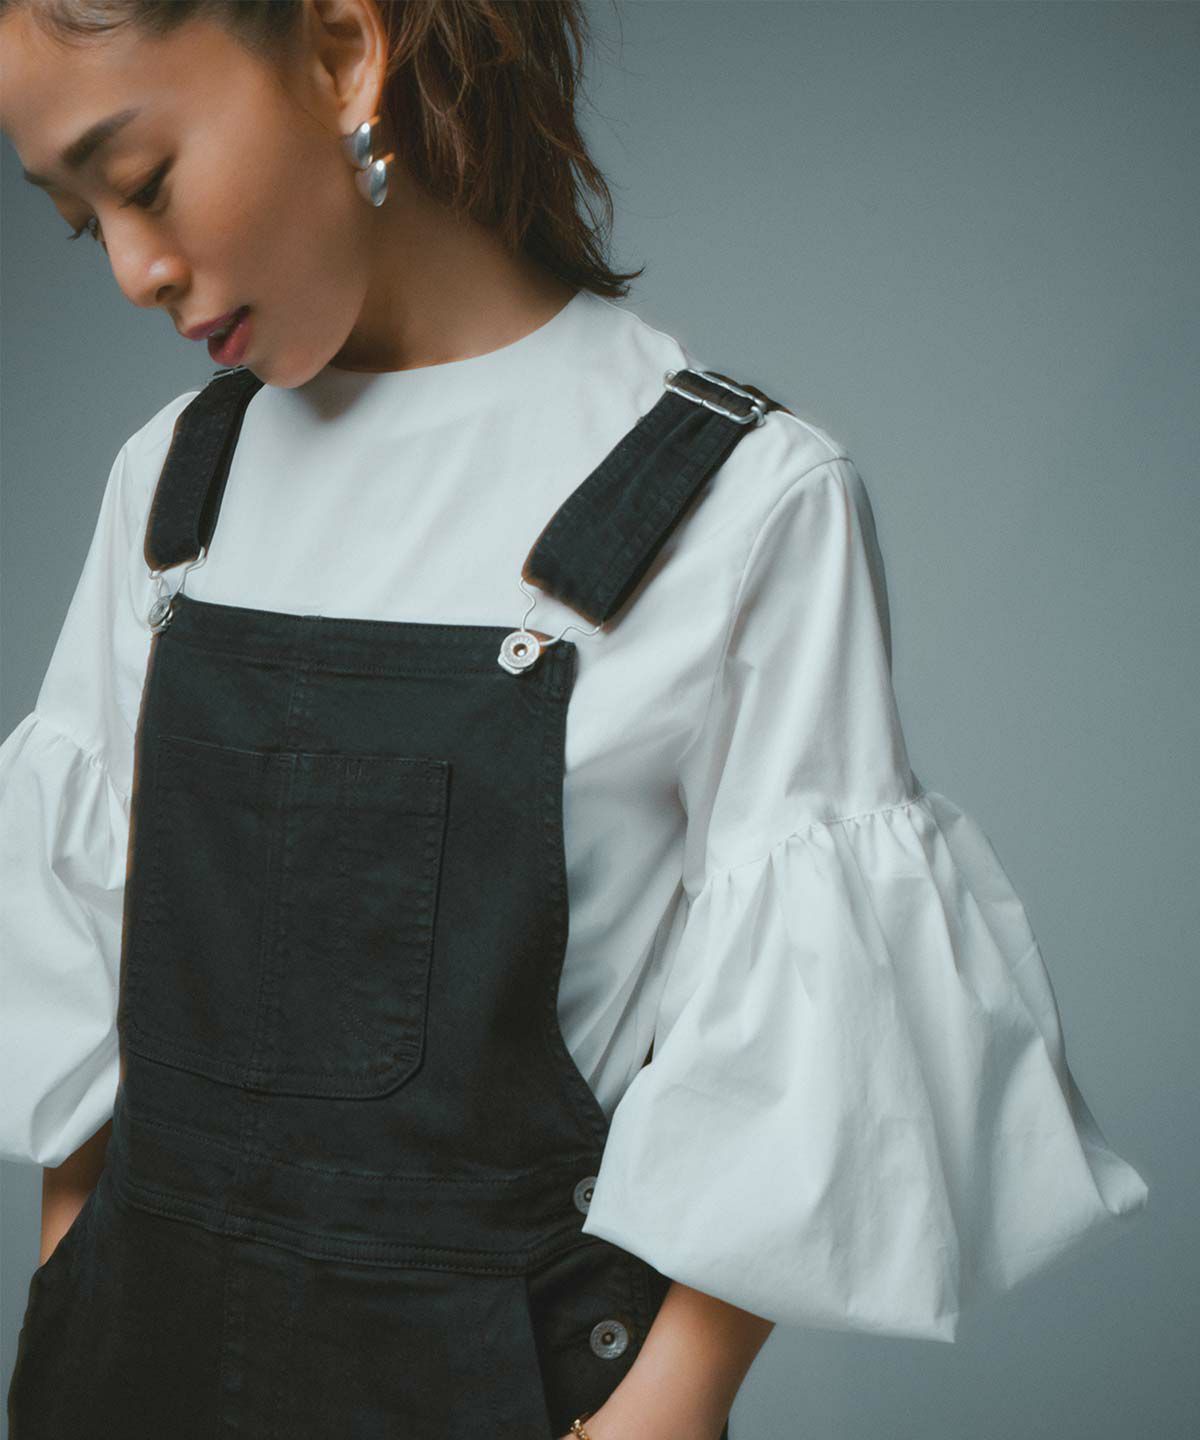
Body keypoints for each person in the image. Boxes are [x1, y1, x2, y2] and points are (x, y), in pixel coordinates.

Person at [0, 1, 1150, 1436]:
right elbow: (85, 972)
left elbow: (807, 1058)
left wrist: (659, 1411)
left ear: (344, 56)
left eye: (145, 180)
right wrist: (63, 1301)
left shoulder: (738, 502)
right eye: (80, 223)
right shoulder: (174, 483)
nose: (132, 269)